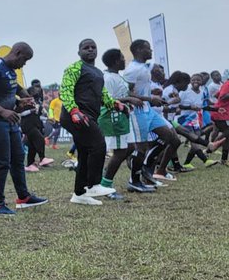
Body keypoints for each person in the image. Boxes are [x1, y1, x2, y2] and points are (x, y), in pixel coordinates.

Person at [0, 43, 49, 216]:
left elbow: (8, 94)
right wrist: (3, 111)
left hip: (6, 120)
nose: (24, 64)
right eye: (25, 60)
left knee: (18, 156)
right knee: (1, 161)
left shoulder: (11, 72)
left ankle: (23, 197)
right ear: (17, 53)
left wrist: (19, 103)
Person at [58, 39, 121, 205]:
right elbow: (65, 90)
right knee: (99, 146)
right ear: (79, 52)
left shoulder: (98, 72)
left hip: (89, 115)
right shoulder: (75, 67)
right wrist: (74, 110)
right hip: (76, 115)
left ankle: (79, 194)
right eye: (86, 48)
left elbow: (103, 95)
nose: (90, 50)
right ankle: (93, 184)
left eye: (93, 47)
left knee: (85, 153)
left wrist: (115, 104)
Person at [124, 40, 182, 189]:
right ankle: (134, 181)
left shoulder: (145, 66)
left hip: (148, 110)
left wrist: (154, 97)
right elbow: (127, 92)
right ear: (138, 50)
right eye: (148, 49)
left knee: (169, 136)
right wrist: (150, 98)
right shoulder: (132, 69)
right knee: (141, 148)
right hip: (137, 112)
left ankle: (147, 169)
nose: (151, 51)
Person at [97, 49, 144, 193]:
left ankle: (105, 175)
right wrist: (129, 99)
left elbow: (124, 92)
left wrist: (137, 98)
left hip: (123, 116)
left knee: (129, 148)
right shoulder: (108, 78)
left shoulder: (118, 76)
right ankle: (105, 185)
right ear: (115, 61)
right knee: (119, 152)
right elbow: (106, 99)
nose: (125, 61)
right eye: (123, 58)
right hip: (114, 117)